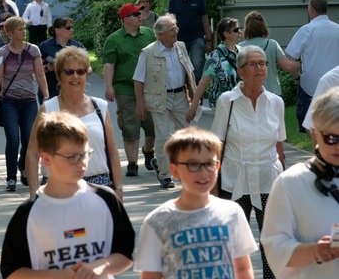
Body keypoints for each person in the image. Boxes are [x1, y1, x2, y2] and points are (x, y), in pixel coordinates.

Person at [0, 111, 134, 278]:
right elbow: (12, 272)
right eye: (71, 157)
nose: (81, 163)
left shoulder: (106, 199)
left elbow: (125, 255)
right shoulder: (28, 214)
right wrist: (60, 275)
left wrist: (98, 267)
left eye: (84, 154)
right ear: (47, 159)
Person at [134, 126, 257, 279]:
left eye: (209, 164)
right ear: (175, 170)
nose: (203, 172)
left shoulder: (232, 212)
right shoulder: (157, 221)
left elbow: (243, 269)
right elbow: (150, 275)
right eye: (193, 164)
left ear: (218, 167)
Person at [211, 45, 286, 279]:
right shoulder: (227, 101)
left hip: (268, 180)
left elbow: (279, 147)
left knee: (271, 243)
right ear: (241, 71)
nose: (259, 68)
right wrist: (212, 189)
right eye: (253, 64)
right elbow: (217, 146)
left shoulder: (276, 102)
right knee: (234, 244)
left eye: (263, 63)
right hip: (235, 182)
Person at [261, 87, 339, 278]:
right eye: (332, 138)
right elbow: (274, 247)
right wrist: (315, 251)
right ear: (315, 134)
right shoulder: (290, 183)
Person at [26, 46, 123, 197]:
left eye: (80, 71)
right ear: (58, 76)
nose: (75, 76)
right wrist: (33, 194)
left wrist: (118, 188)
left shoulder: (100, 107)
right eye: (69, 72)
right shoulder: (48, 109)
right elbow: (32, 154)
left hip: (99, 187)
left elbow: (112, 152)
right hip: (57, 187)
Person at [134, 14, 197, 189]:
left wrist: (194, 95)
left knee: (186, 136)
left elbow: (190, 72)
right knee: (163, 137)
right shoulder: (148, 52)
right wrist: (140, 105)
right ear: (160, 34)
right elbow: (138, 80)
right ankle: (165, 175)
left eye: (176, 28)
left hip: (180, 97)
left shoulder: (181, 47)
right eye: (172, 29)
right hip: (159, 98)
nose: (176, 31)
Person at [0, 16, 49, 191]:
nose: (24, 31)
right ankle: (10, 178)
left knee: (29, 139)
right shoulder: (3, 52)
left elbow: (40, 75)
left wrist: (45, 96)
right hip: (9, 102)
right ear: (11, 33)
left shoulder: (33, 50)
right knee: (13, 140)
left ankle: (23, 166)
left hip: (29, 100)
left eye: (24, 28)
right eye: (20, 29)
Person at [103, 3, 157, 177]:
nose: (140, 16)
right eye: (135, 14)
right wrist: (109, 86)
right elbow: (109, 64)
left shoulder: (149, 34)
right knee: (129, 126)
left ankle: (148, 152)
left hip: (149, 89)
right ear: (125, 20)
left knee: (152, 126)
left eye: (139, 13)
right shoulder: (114, 39)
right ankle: (132, 163)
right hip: (125, 89)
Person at [285, 0, 339, 132]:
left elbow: (290, 58)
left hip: (310, 86)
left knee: (309, 124)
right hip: (335, 85)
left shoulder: (306, 30)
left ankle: (318, 148)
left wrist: (296, 77)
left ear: (311, 9)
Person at [186, 17, 241, 122]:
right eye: (236, 30)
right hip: (221, 104)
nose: (240, 32)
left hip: (240, 101)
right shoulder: (215, 57)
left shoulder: (241, 52)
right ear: (226, 34)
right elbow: (203, 83)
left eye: (239, 29)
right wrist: (193, 108)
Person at [239, 10, 300, 96]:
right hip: (272, 93)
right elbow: (288, 66)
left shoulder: (240, 47)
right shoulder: (272, 44)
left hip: (249, 94)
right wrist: (300, 64)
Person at [167, 0, 214, 84]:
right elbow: (169, 20)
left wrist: (208, 39)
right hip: (179, 39)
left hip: (196, 37)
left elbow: (204, 18)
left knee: (197, 64)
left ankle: (197, 92)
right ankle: (184, 92)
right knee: (179, 66)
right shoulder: (174, 0)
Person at [39, 17, 86, 102]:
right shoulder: (44, 46)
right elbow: (35, 71)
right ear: (57, 30)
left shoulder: (78, 46)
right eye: (68, 28)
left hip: (72, 90)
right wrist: (47, 68)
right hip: (50, 89)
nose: (71, 30)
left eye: (72, 27)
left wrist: (80, 71)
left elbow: (88, 68)